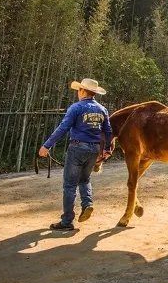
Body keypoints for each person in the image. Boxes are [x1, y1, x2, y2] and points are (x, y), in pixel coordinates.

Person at [39, 78, 113, 230]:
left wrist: (47, 146)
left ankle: (67, 222)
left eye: (79, 90)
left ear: (83, 91)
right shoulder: (102, 110)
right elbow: (108, 131)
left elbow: (62, 128)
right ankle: (87, 204)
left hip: (77, 148)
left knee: (69, 185)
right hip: (94, 150)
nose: (78, 93)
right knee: (84, 180)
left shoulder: (76, 108)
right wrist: (106, 149)